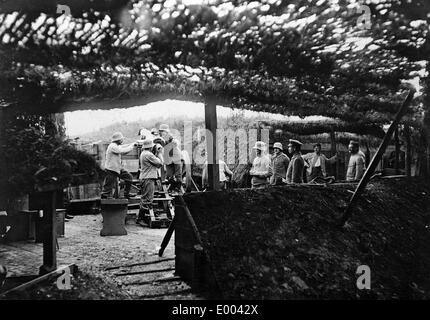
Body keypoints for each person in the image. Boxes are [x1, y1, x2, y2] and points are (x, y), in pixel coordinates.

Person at [101, 132, 136, 199]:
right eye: (121, 139)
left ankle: (127, 194)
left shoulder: (116, 146)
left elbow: (123, 147)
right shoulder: (112, 146)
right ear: (118, 140)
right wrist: (132, 146)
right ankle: (104, 198)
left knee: (129, 177)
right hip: (111, 169)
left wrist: (132, 144)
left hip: (117, 168)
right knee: (108, 185)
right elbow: (122, 151)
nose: (122, 140)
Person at [137, 138, 163, 222]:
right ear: (150, 147)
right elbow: (160, 163)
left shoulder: (143, 153)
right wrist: (159, 153)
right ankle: (141, 219)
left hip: (145, 177)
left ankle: (141, 217)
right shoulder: (148, 155)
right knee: (147, 199)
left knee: (144, 198)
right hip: (148, 178)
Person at [159, 124, 183, 191]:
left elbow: (176, 143)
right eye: (161, 131)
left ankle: (178, 187)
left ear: (166, 131)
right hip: (168, 158)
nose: (162, 132)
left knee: (178, 174)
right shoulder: (161, 138)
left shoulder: (171, 137)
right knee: (169, 175)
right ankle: (172, 186)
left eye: (163, 131)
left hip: (176, 157)